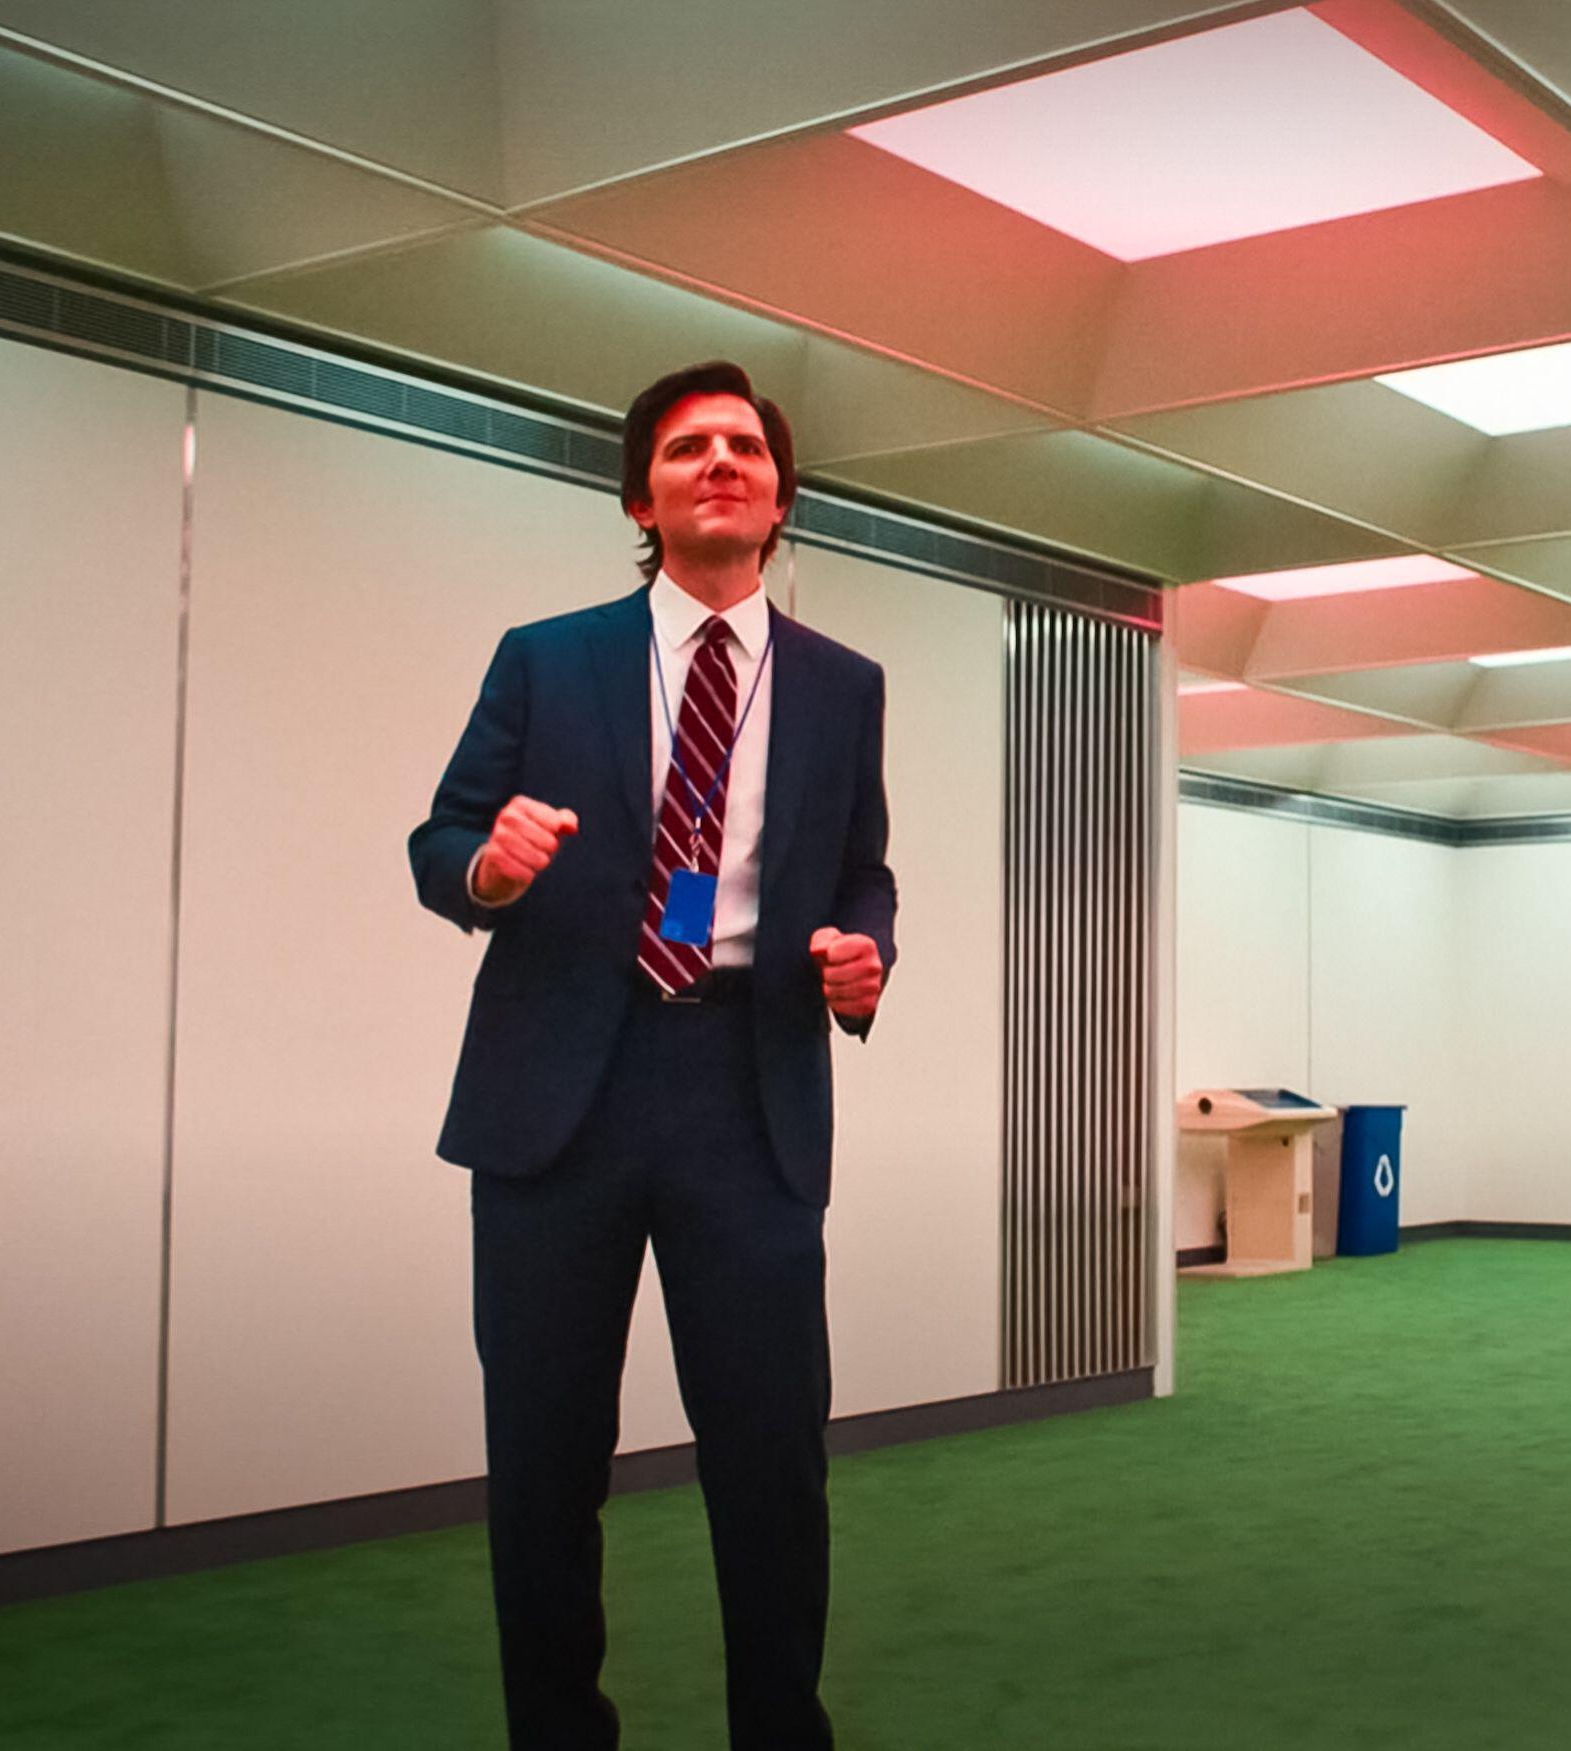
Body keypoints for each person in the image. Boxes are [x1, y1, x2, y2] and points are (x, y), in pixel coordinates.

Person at [408, 360, 898, 1750]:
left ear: (781, 497)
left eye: (745, 446)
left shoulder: (843, 687)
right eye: (687, 449)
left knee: (772, 1462)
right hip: (561, 1096)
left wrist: (866, 953)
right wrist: (491, 867)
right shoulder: (545, 658)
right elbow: (441, 842)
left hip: (748, 1095)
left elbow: (862, 873)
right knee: (545, 1462)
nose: (720, 462)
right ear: (642, 499)